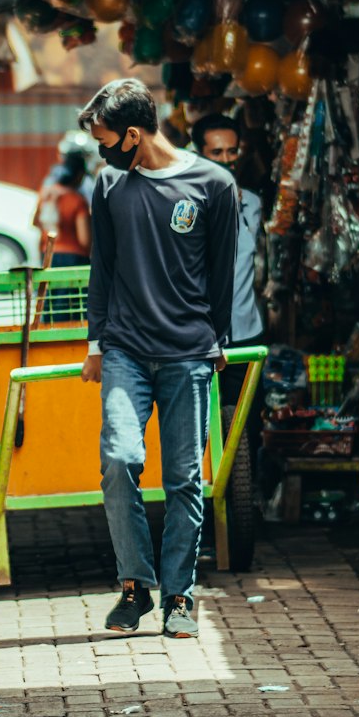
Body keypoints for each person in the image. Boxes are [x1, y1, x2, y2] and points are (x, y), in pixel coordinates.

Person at [79, 78, 238, 638]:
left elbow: (224, 273)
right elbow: (103, 267)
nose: (100, 152)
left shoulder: (214, 184)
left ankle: (179, 596)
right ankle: (133, 587)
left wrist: (218, 339)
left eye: (105, 141)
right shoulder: (108, 184)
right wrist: (96, 344)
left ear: (133, 134)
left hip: (188, 354)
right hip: (124, 349)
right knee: (119, 459)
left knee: (184, 479)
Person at [191, 112, 264, 404]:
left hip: (247, 332)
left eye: (232, 151)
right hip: (201, 335)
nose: (226, 159)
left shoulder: (253, 205)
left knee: (246, 421)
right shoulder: (187, 207)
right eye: (216, 152)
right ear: (201, 155)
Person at [33, 147, 91, 268]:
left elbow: (36, 222)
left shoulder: (46, 195)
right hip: (74, 258)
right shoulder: (77, 201)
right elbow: (84, 239)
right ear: (79, 175)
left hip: (48, 255)